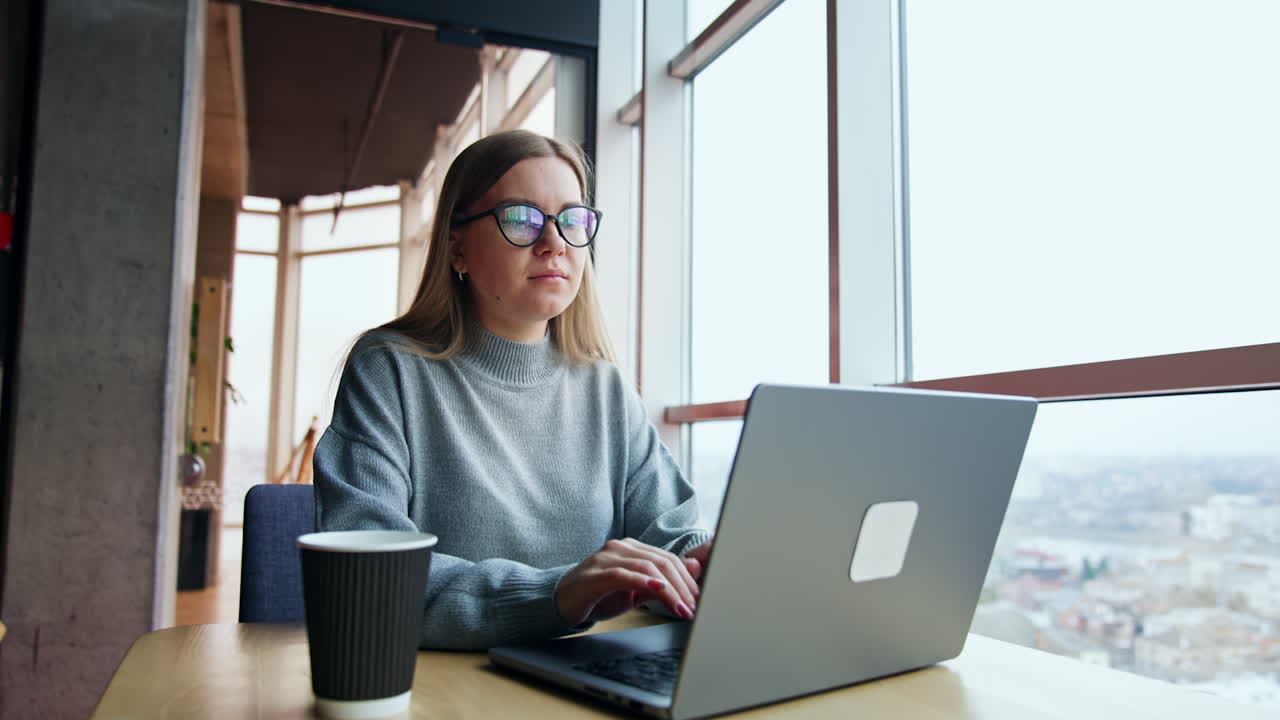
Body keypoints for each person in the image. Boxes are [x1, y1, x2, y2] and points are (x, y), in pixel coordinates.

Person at [312, 129, 713, 651]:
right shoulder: (390, 371)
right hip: (445, 693)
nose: (555, 243)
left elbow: (668, 536)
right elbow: (373, 577)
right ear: (457, 246)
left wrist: (706, 562)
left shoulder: (606, 390)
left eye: (572, 220)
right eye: (522, 219)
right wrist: (554, 594)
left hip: (592, 680)